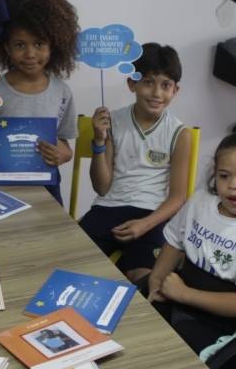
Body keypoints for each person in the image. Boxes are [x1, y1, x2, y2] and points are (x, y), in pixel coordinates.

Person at [129, 132, 236, 356]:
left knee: (159, 355)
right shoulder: (200, 201)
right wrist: (156, 280)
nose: (233, 186)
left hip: (220, 322)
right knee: (129, 326)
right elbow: (173, 242)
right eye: (224, 176)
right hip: (179, 295)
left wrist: (183, 294)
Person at [80, 43, 191, 278]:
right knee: (75, 265)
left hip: (152, 215)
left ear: (175, 90)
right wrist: (99, 140)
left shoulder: (180, 134)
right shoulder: (113, 121)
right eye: (148, 82)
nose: (157, 93)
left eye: (165, 85)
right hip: (108, 208)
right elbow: (101, 187)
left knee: (143, 279)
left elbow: (178, 197)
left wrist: (145, 224)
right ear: (132, 83)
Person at [0, 0, 80, 205]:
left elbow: (66, 146)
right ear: (6, 48)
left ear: (53, 46)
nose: (30, 53)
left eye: (39, 44)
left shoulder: (62, 92)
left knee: (50, 236)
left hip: (47, 184)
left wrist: (62, 154)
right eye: (19, 45)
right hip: (0, 183)